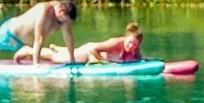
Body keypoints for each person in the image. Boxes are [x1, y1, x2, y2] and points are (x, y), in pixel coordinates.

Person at [15, 21, 143, 65]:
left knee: (70, 53)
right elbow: (94, 50)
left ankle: (58, 48)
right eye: (130, 43)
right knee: (57, 58)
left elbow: (138, 58)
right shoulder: (115, 42)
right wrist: (105, 63)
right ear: (126, 37)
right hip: (88, 53)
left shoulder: (134, 48)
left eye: (135, 45)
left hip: (88, 55)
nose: (131, 46)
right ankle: (28, 50)